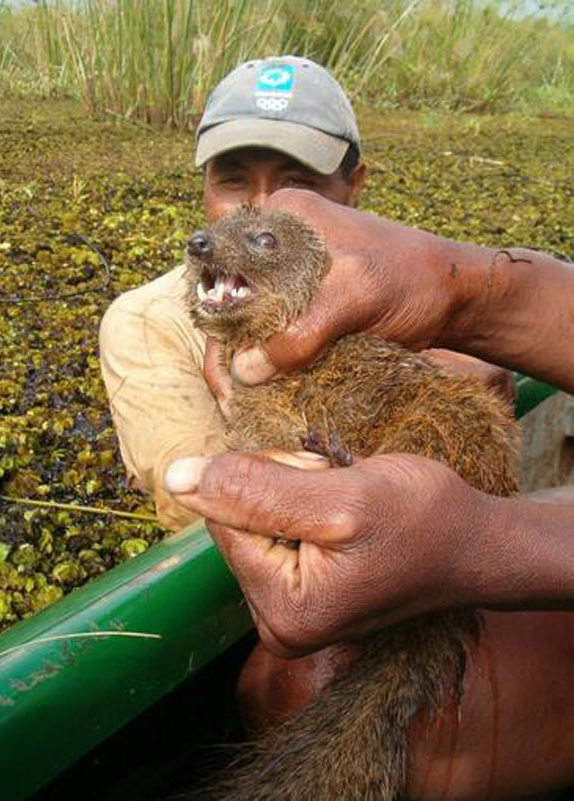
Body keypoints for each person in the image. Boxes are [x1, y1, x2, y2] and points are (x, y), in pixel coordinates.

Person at [100, 57, 573, 799]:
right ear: (202, 186)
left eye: (296, 183)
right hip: (278, 597)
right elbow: (187, 501)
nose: (261, 205)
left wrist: (468, 316)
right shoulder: (150, 319)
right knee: (297, 682)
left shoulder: (384, 283)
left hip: (417, 569)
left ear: (354, 189)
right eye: (232, 179)